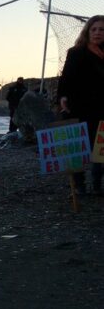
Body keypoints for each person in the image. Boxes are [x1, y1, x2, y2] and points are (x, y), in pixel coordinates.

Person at [56, 15, 104, 194]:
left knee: (100, 146)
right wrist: (62, 96)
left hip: (101, 107)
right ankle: (79, 186)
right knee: (76, 145)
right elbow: (66, 78)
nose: (97, 33)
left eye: (101, 29)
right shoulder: (76, 52)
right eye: (94, 29)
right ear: (88, 31)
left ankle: (98, 184)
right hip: (79, 105)